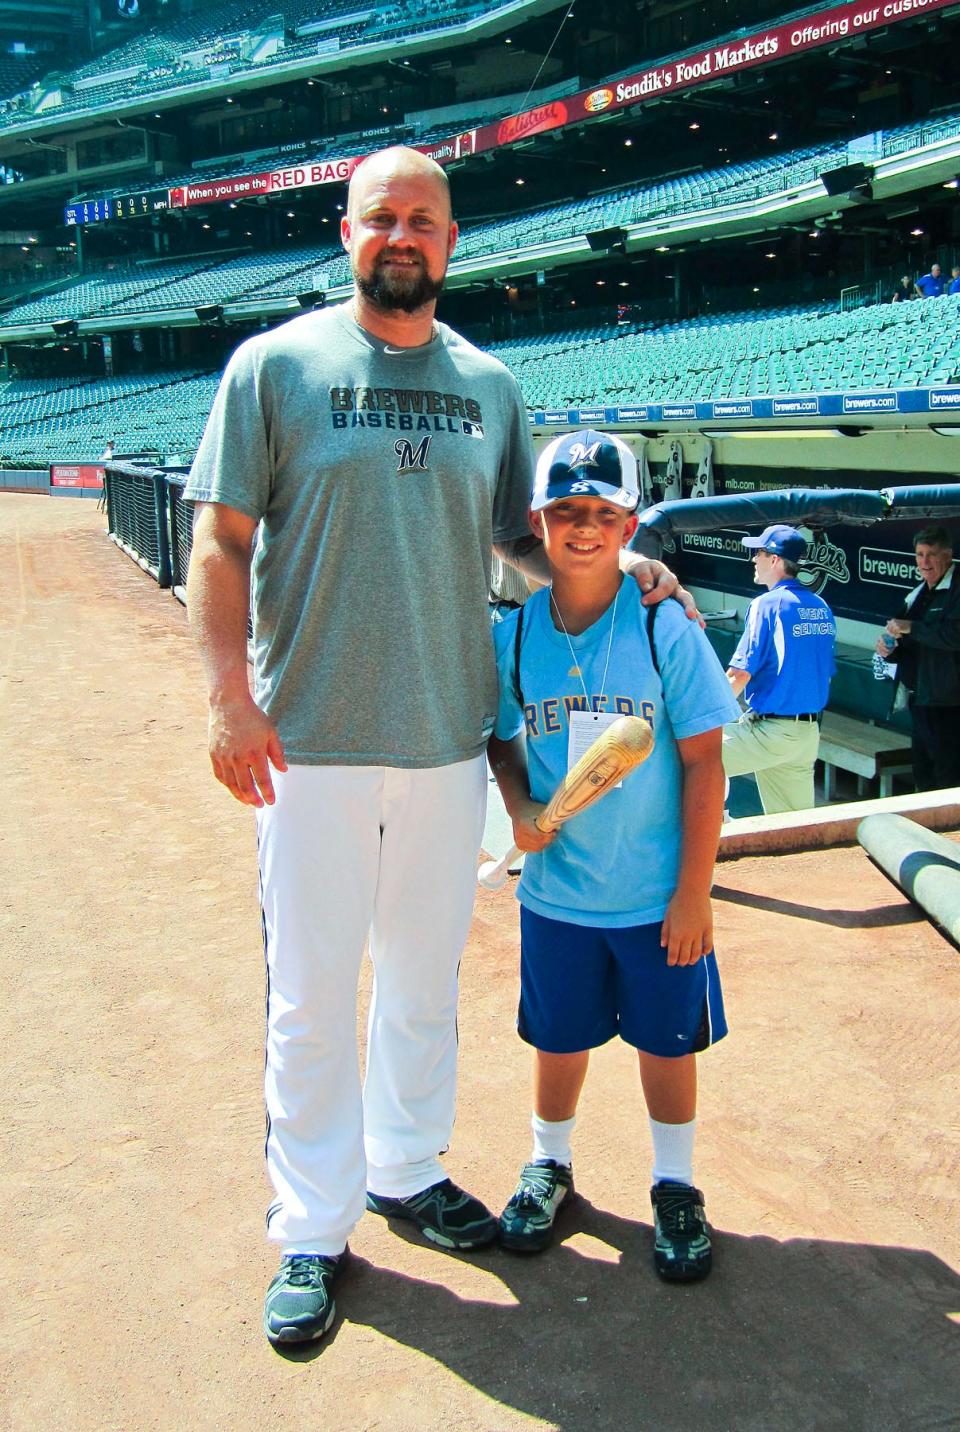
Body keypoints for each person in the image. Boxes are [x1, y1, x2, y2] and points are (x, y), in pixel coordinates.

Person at [184, 145, 690, 1348]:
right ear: (346, 233)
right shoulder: (275, 367)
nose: (401, 236)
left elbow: (524, 541)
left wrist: (625, 573)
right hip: (304, 740)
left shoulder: (490, 384)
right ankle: (311, 1225)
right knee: (311, 997)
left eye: (424, 219)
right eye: (380, 219)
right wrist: (225, 699)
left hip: (448, 738)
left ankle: (406, 1170)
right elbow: (218, 544)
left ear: (452, 241)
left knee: (421, 983)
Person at [487, 430, 738, 1283]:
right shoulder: (516, 635)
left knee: (668, 1044)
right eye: (566, 512)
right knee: (558, 1039)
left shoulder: (666, 623)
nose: (583, 528)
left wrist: (694, 895)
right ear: (537, 522)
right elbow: (504, 744)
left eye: (602, 513)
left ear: (630, 524)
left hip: (655, 894)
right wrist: (520, 806)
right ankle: (549, 1164)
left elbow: (706, 763)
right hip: (558, 894)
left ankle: (675, 1185)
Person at [721, 525, 836, 814]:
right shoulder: (820, 605)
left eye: (758, 552)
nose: (752, 560)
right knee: (795, 830)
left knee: (689, 756)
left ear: (774, 560)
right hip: (807, 734)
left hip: (772, 732)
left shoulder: (767, 604)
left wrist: (698, 714)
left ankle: (711, 832)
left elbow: (739, 675)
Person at [876, 526, 960, 791]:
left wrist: (912, 627)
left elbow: (953, 635)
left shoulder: (956, 589)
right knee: (923, 775)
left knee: (948, 780)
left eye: (931, 555)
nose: (924, 562)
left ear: (947, 556)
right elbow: (906, 641)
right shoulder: (918, 593)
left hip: (949, 704)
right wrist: (890, 650)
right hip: (919, 699)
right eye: (920, 555)